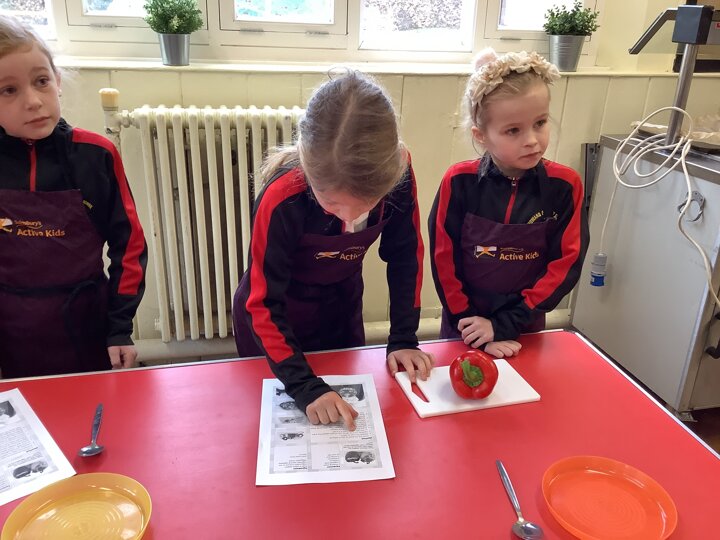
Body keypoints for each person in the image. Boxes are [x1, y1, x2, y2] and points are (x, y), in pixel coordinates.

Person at [233, 70, 433, 431]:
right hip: (274, 319)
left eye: (366, 202)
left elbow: (406, 258)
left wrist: (404, 337)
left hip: (340, 307)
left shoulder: (399, 173)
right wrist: (304, 386)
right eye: (331, 203)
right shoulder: (281, 198)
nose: (350, 217)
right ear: (309, 171)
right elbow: (262, 302)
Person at [0, 15, 147, 378]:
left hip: (87, 326)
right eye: (8, 90)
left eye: (41, 81)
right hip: (11, 332)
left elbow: (129, 246)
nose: (33, 101)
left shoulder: (96, 155)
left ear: (58, 81)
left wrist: (120, 328)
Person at [428, 49, 589, 358]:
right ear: (481, 135)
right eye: (513, 130)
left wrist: (506, 323)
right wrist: (471, 324)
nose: (532, 140)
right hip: (464, 326)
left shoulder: (565, 186)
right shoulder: (458, 182)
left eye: (540, 122)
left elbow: (565, 263)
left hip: (524, 326)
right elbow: (443, 260)